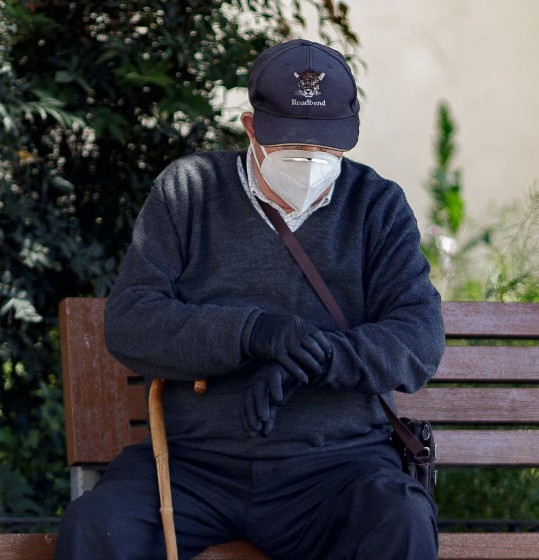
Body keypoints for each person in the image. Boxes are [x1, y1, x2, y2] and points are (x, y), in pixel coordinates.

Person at [55, 39, 444, 560]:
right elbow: (130, 322)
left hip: (338, 467)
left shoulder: (377, 205)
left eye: (326, 146)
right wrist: (253, 334)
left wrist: (317, 360)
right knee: (97, 528)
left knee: (399, 521)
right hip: (194, 465)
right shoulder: (189, 191)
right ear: (251, 127)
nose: (310, 161)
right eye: (291, 146)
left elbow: (418, 339)